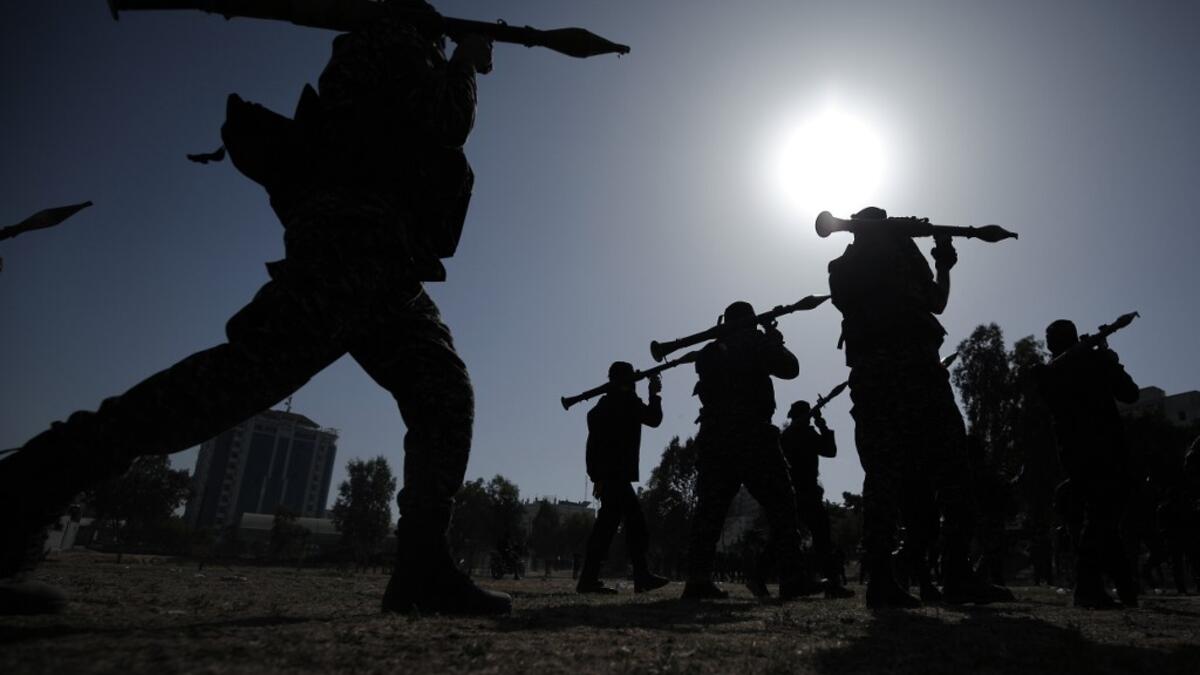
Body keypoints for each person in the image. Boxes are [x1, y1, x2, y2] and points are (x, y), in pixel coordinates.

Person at [0, 1, 510, 615]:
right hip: (349, 248)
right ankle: (24, 491)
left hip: (387, 263)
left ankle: (422, 568)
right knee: (229, 385)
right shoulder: (386, 45)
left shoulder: (393, 48)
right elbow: (443, 121)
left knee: (443, 395)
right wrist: (468, 63)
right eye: (440, 34)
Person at [827, 206, 1011, 608]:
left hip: (890, 375)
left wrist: (940, 261)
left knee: (917, 473)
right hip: (910, 372)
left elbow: (933, 303)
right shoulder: (878, 258)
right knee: (937, 472)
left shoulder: (845, 264)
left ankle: (912, 575)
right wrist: (933, 259)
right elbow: (934, 301)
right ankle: (934, 574)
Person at [682, 301, 811, 600]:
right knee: (782, 505)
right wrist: (774, 338)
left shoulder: (712, 351)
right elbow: (790, 368)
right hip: (753, 436)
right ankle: (792, 577)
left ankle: (697, 579)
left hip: (715, 438)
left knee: (709, 511)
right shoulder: (753, 340)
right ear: (751, 321)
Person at [1035, 319, 1140, 608]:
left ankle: (1126, 589)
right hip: (1105, 451)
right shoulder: (1092, 362)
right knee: (1102, 518)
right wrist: (1108, 357)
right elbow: (1130, 394)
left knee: (1102, 518)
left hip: (1072, 454)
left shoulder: (1048, 374)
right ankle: (1087, 587)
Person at [576, 363, 670, 594]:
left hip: (607, 476)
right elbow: (654, 418)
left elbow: (592, 445)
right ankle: (638, 576)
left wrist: (596, 475)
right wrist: (654, 395)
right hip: (616, 476)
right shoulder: (626, 401)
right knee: (631, 524)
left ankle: (598, 578)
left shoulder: (603, 405)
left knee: (608, 527)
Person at [748, 400, 854, 598]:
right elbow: (830, 450)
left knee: (786, 535)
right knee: (812, 536)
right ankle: (830, 583)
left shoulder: (790, 434)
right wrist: (820, 426)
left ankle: (760, 577)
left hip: (799, 491)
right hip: (803, 491)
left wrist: (821, 425)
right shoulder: (799, 433)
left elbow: (829, 452)